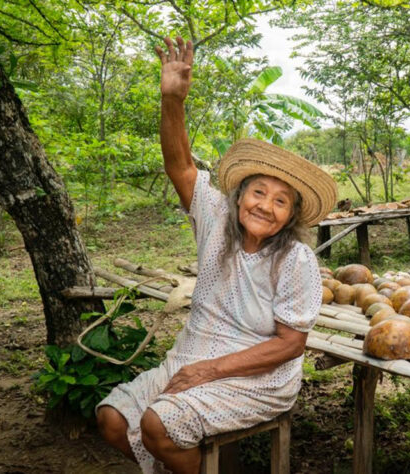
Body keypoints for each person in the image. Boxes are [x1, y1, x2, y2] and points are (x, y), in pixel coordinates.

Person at [95, 36, 337, 474]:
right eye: (258, 192)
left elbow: (290, 344)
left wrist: (211, 371)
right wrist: (173, 100)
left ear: (290, 216)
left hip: (260, 378)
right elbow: (180, 167)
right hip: (191, 356)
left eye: (281, 201)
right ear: (239, 196)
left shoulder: (295, 260)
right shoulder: (215, 223)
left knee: (158, 424)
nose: (265, 205)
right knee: (112, 419)